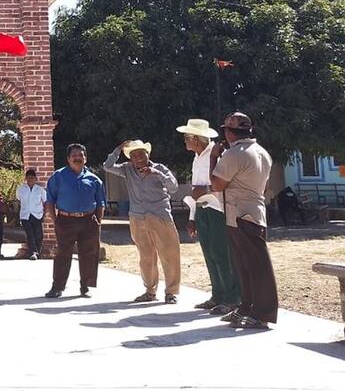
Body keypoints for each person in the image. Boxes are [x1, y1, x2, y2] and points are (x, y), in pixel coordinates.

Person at [211, 112, 277, 329]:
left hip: (240, 214)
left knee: (256, 266)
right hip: (251, 212)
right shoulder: (262, 152)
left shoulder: (233, 154)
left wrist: (214, 157)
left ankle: (262, 313)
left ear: (229, 133)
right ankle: (246, 307)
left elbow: (216, 185)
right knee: (244, 265)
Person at [104, 140, 182, 304]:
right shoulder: (127, 169)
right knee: (146, 257)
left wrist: (156, 173)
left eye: (141, 154)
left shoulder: (160, 168)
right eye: (134, 155)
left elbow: (173, 187)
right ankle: (149, 291)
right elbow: (107, 166)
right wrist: (118, 149)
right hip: (138, 218)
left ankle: (171, 292)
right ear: (130, 158)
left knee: (169, 255)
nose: (138, 158)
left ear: (148, 154)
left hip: (160, 216)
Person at [178, 118, 240, 314]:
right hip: (202, 209)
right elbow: (196, 191)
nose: (185, 141)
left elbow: (224, 183)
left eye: (187, 137)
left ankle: (233, 298)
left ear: (196, 138)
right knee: (210, 254)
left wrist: (203, 191)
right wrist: (192, 218)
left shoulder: (217, 154)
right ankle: (218, 295)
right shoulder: (197, 158)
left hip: (217, 209)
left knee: (222, 254)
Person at [44, 143, 105, 299]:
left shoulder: (94, 179)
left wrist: (98, 221)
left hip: (89, 220)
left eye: (80, 155)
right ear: (68, 159)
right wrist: (55, 220)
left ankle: (86, 286)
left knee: (89, 254)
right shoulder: (58, 177)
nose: (77, 158)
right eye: (74, 155)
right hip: (65, 220)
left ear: (85, 158)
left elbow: (100, 203)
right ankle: (57, 287)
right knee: (62, 254)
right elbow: (50, 200)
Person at [16, 169, 46, 259]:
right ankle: (33, 252)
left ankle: (37, 252)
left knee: (38, 235)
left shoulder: (40, 190)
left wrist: (44, 213)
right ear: (26, 178)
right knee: (30, 234)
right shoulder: (21, 189)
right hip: (25, 215)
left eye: (32, 177)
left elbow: (45, 201)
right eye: (28, 178)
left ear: (35, 179)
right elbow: (19, 199)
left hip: (37, 214)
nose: (30, 179)